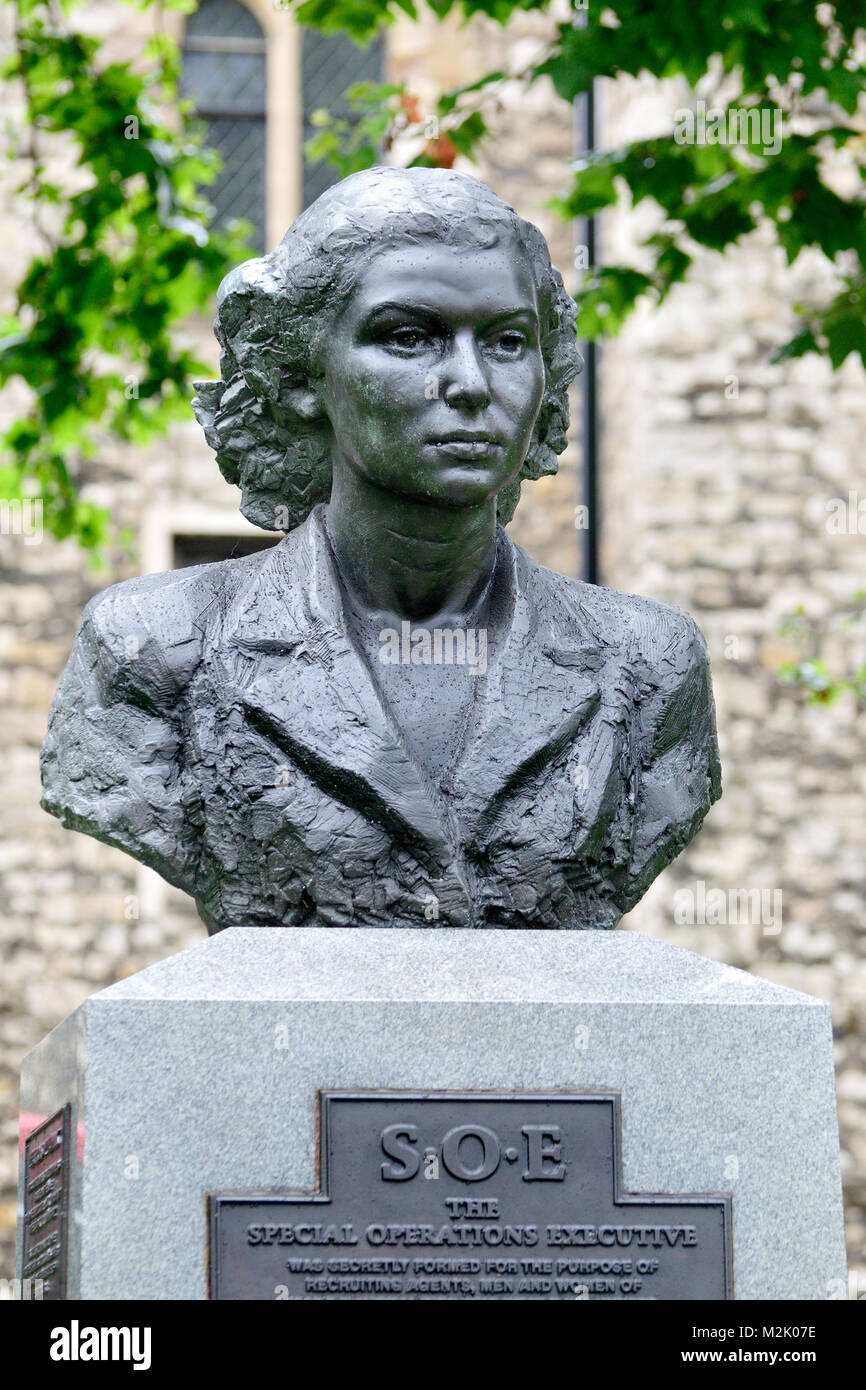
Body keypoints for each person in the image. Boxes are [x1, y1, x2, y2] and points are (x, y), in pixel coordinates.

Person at [41, 166, 721, 932]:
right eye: (409, 337)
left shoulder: (651, 662)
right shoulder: (148, 652)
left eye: (505, 341)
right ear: (303, 373)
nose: (468, 383)